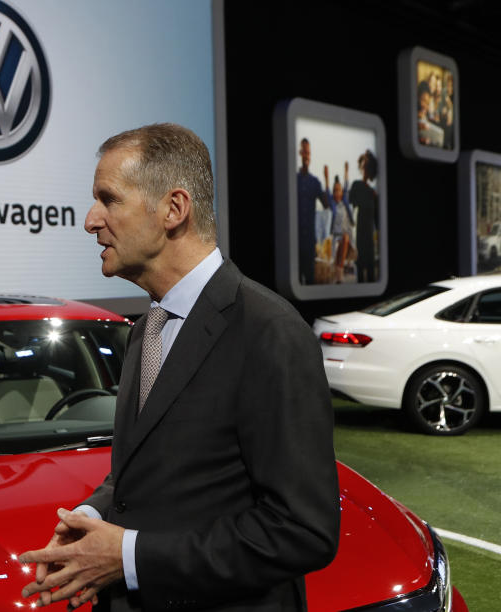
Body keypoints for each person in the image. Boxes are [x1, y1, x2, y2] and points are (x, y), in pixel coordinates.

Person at [19, 124, 339, 611]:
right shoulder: (147, 326)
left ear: (173, 209)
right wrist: (91, 515)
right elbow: (148, 467)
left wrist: (127, 556)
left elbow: (302, 530)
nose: (90, 220)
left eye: (109, 199)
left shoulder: (270, 332)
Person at [296, 138, 325, 285]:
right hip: (295, 243)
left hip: (309, 243)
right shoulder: (294, 180)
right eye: (304, 152)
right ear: (300, 153)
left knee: (310, 281)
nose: (307, 156)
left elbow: (326, 204)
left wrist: (326, 180)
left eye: (309, 153)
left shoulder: (315, 182)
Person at [349, 150, 378, 283]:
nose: (365, 168)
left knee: (371, 271)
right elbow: (349, 207)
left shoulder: (373, 193)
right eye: (363, 164)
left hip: (369, 238)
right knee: (360, 270)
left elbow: (377, 221)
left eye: (367, 165)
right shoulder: (356, 186)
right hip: (359, 236)